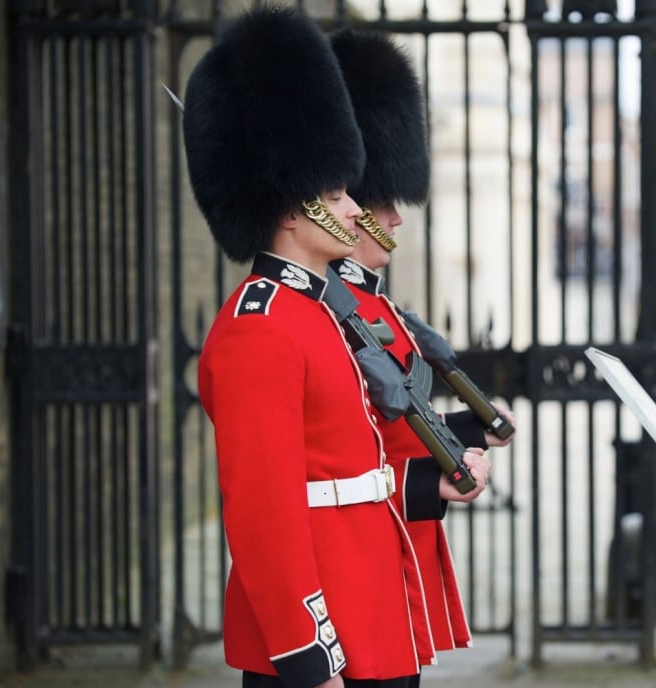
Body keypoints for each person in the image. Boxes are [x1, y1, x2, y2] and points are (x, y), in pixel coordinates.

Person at [182, 8, 486, 687]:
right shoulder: (259, 329)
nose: (356, 208)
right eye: (336, 192)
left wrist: (429, 481)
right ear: (292, 203)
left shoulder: (319, 315)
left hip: (372, 616)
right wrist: (306, 652)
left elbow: (352, 467)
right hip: (322, 643)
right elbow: (265, 514)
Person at [326, 27, 511, 654]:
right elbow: (337, 451)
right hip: (361, 549)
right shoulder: (322, 310)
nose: (394, 216)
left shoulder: (375, 304)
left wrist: (467, 433)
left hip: (396, 540)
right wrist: (426, 485)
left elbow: (392, 417)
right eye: (375, 202)